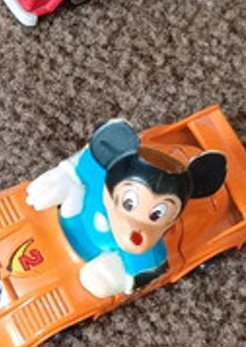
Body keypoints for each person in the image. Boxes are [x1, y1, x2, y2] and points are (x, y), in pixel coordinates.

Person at [26, 118, 227, 298]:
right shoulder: (100, 178)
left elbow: (151, 269)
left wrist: (115, 277)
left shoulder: (146, 252)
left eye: (157, 215)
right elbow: (88, 160)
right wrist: (66, 176)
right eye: (129, 204)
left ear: (171, 220)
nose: (135, 227)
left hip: (83, 262)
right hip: (64, 221)